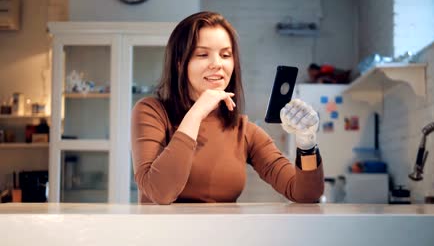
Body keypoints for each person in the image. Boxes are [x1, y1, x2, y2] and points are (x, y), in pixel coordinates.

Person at [131, 11, 324, 204]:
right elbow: (159, 192)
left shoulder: (244, 130)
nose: (217, 64)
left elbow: (306, 194)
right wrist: (197, 113)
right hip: (164, 234)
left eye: (225, 55)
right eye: (202, 54)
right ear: (180, 63)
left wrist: (307, 144)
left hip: (224, 234)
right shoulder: (151, 112)